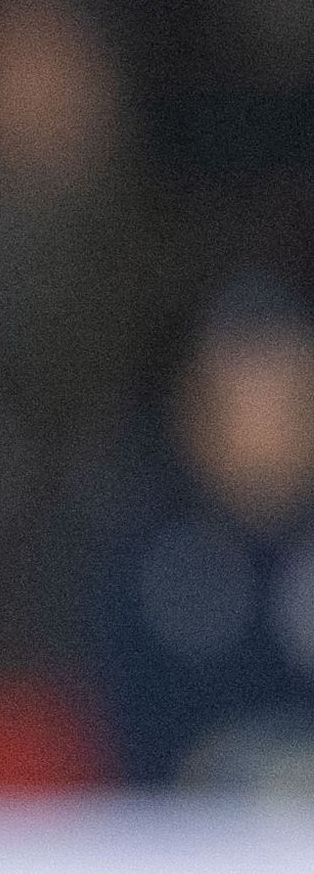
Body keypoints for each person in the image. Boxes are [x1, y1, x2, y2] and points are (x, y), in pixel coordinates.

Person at [82, 271, 314, 790]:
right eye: (240, 406)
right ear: (196, 411)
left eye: (283, 405)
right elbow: (124, 738)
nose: (262, 431)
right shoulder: (142, 556)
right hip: (186, 856)